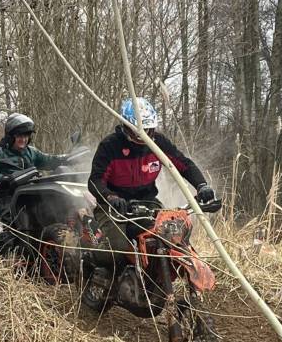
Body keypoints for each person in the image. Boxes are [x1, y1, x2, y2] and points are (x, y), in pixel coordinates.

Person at [87, 97, 216, 276]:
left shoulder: (158, 143)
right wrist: (110, 197)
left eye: (149, 129)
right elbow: (95, 180)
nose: (144, 134)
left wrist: (202, 186)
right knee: (117, 247)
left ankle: (153, 279)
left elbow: (184, 164)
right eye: (139, 130)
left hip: (147, 202)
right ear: (126, 126)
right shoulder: (110, 146)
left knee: (170, 236)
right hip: (113, 206)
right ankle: (91, 261)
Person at [0, 112, 72, 225]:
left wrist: (68, 158)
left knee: (50, 211)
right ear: (11, 136)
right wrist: (6, 179)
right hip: (0, 198)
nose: (24, 139)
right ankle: (11, 236)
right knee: (16, 219)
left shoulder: (31, 152)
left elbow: (50, 160)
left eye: (26, 136)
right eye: (20, 136)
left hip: (25, 196)